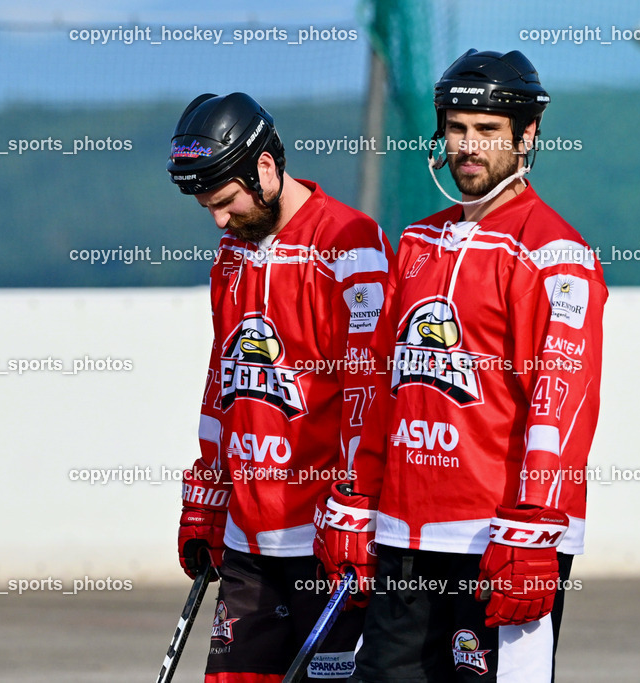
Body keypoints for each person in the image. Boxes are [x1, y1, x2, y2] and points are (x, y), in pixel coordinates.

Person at [313, 50, 607, 682]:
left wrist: (535, 526)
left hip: (501, 541)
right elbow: (382, 387)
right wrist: (356, 496)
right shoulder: (417, 241)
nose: (468, 146)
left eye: (487, 130)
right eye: (457, 127)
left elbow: (562, 403)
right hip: (404, 537)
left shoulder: (555, 252)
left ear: (527, 136)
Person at [167, 92, 395, 682]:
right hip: (248, 539)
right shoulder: (231, 254)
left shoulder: (350, 239)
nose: (218, 219)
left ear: (265, 167)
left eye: (225, 201)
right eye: (206, 205)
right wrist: (209, 486)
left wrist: (355, 498)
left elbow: (368, 386)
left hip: (325, 539)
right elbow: (223, 379)